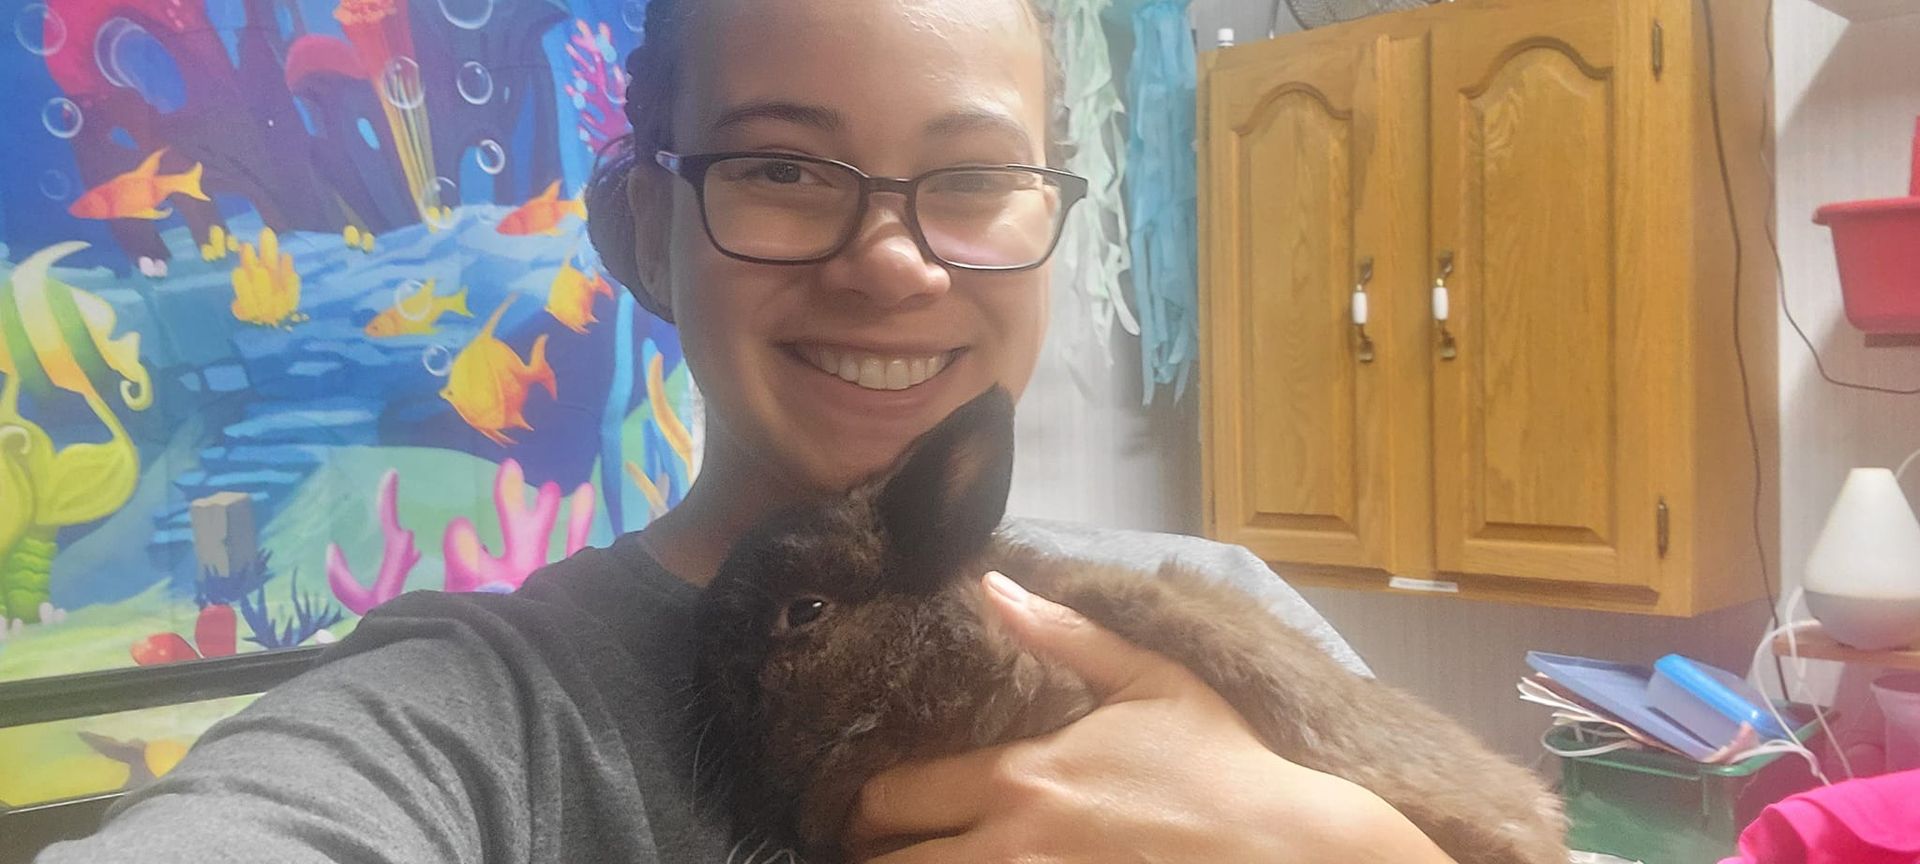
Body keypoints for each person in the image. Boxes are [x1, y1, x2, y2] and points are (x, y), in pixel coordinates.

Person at [36, 0, 1462, 861]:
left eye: (973, 177)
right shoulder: (481, 725)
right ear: (643, 229)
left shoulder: (1217, 604)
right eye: (781, 167)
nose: (893, 262)